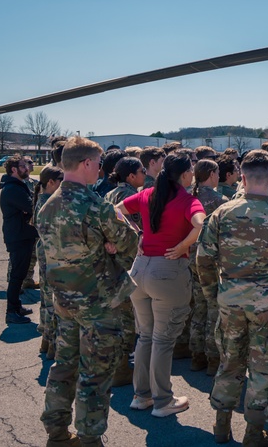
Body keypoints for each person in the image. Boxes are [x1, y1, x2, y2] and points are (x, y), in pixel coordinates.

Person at [200, 150, 268, 446]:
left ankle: (221, 425)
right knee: (264, 368)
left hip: (230, 301)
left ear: (243, 178)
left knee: (230, 361)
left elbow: (204, 259)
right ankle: (253, 432)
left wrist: (213, 294)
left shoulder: (221, 213)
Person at [36, 136, 139, 447]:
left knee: (64, 365)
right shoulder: (96, 206)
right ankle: (90, 438)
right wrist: (109, 247)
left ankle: (56, 432)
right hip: (97, 302)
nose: (99, 169)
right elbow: (131, 243)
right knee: (95, 373)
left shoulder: (48, 205)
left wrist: (107, 245)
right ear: (85, 164)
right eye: (96, 163)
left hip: (64, 301)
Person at [117, 152, 205, 418]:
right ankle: (162, 400)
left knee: (145, 336)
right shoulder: (188, 200)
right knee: (163, 340)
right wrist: (184, 245)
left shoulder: (147, 195)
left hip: (140, 269)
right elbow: (201, 223)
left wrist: (138, 234)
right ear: (185, 174)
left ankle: (141, 396)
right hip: (167, 272)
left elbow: (116, 209)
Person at [102, 156, 146, 385]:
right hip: (128, 255)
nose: (145, 174)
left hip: (114, 258)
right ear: (131, 176)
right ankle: (122, 368)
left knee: (120, 308)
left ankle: (120, 361)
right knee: (128, 311)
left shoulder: (111, 193)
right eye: (142, 170)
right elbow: (133, 226)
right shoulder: (129, 195)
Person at [190, 158, 227, 373]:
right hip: (211, 260)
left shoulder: (188, 196)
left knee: (198, 306)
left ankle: (197, 355)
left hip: (190, 257)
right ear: (212, 175)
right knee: (214, 308)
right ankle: (213, 358)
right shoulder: (220, 200)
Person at [0, 155, 38, 324]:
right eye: (23, 166)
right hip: (18, 236)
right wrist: (29, 210)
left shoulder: (18, 186)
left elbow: (30, 208)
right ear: (13, 170)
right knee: (17, 275)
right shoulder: (13, 189)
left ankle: (16, 307)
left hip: (23, 234)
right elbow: (31, 207)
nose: (27, 169)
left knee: (21, 274)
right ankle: (11, 311)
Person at [34, 164, 64, 361]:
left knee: (46, 300)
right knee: (53, 302)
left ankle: (46, 339)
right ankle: (53, 343)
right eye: (61, 183)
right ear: (51, 183)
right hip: (51, 254)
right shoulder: (49, 204)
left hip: (45, 252)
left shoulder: (43, 200)